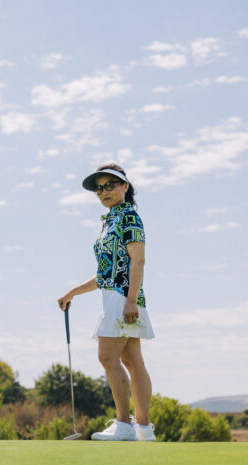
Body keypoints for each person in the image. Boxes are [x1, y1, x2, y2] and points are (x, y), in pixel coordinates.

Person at [57, 163, 156, 441]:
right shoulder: (109, 223)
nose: (104, 192)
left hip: (124, 298)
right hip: (116, 297)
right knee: (132, 359)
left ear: (125, 186)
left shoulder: (129, 219)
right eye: (99, 188)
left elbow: (139, 261)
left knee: (107, 356)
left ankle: (125, 425)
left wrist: (131, 301)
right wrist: (72, 293)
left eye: (110, 185)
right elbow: (105, 274)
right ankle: (143, 429)